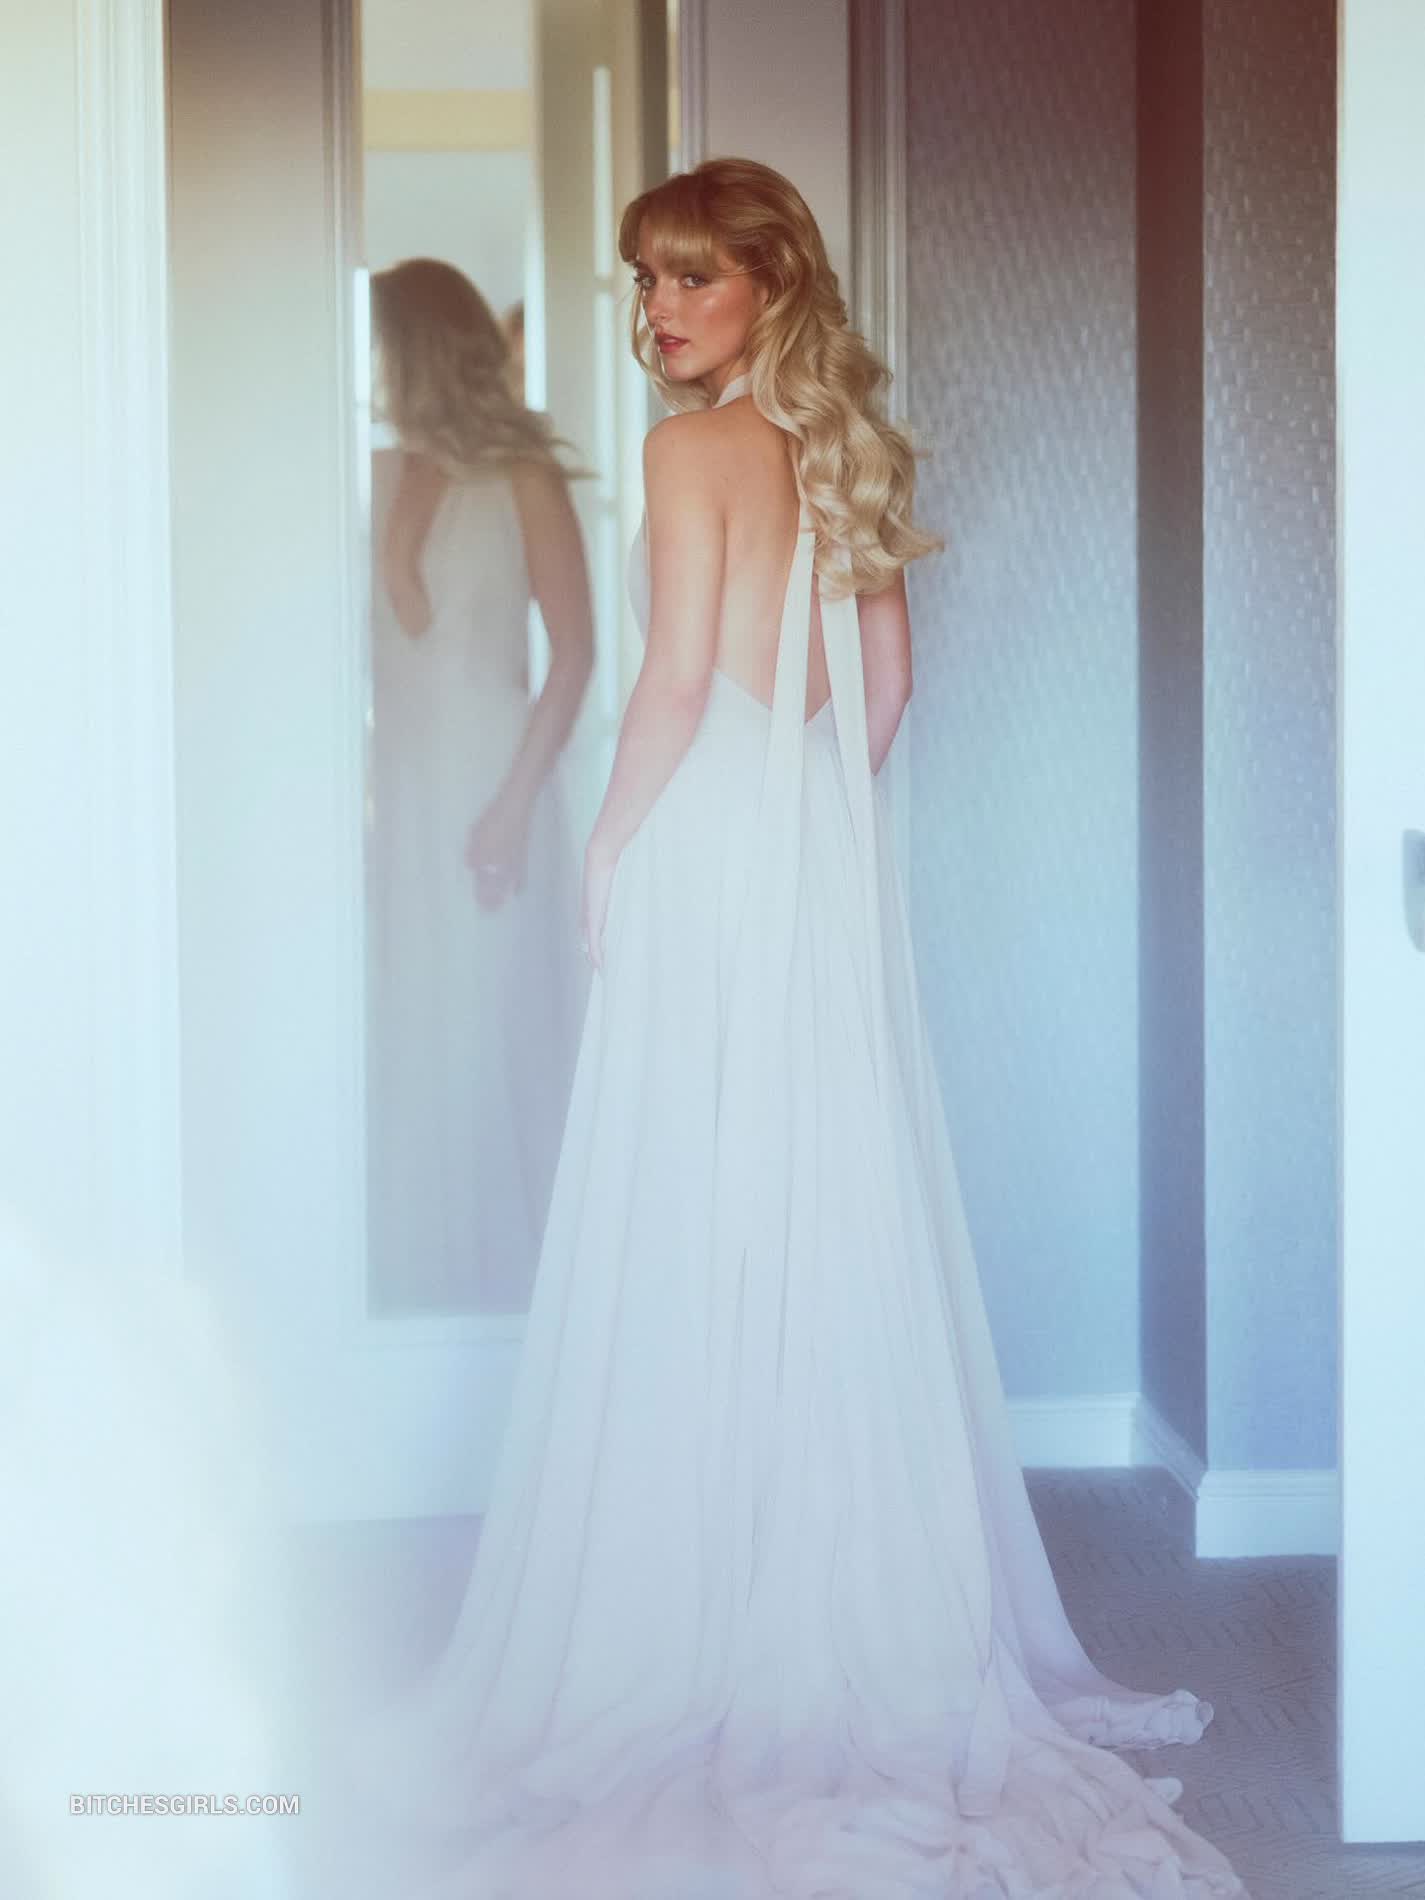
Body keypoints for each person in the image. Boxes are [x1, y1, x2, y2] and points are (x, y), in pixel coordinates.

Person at [341, 163, 1248, 1897]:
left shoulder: (692, 454)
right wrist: (805, 813)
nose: (661, 311)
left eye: (694, 277)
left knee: (690, 1199)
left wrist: (611, 844)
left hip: (702, 842)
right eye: (646, 281)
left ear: (770, 282)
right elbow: (885, 691)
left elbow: (674, 681)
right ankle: (835, 1595)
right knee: (826, 1201)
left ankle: (692, 1596)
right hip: (814, 845)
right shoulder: (846, 445)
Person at [365, 259, 591, 1315]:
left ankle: (519, 1309)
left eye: (382, 343)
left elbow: (576, 656)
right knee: (410, 1032)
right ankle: (422, 1300)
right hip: (400, 791)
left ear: (417, 348)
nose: (373, 364)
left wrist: (512, 807)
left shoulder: (522, 475)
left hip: (496, 783)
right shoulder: (372, 471)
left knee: (495, 1035)